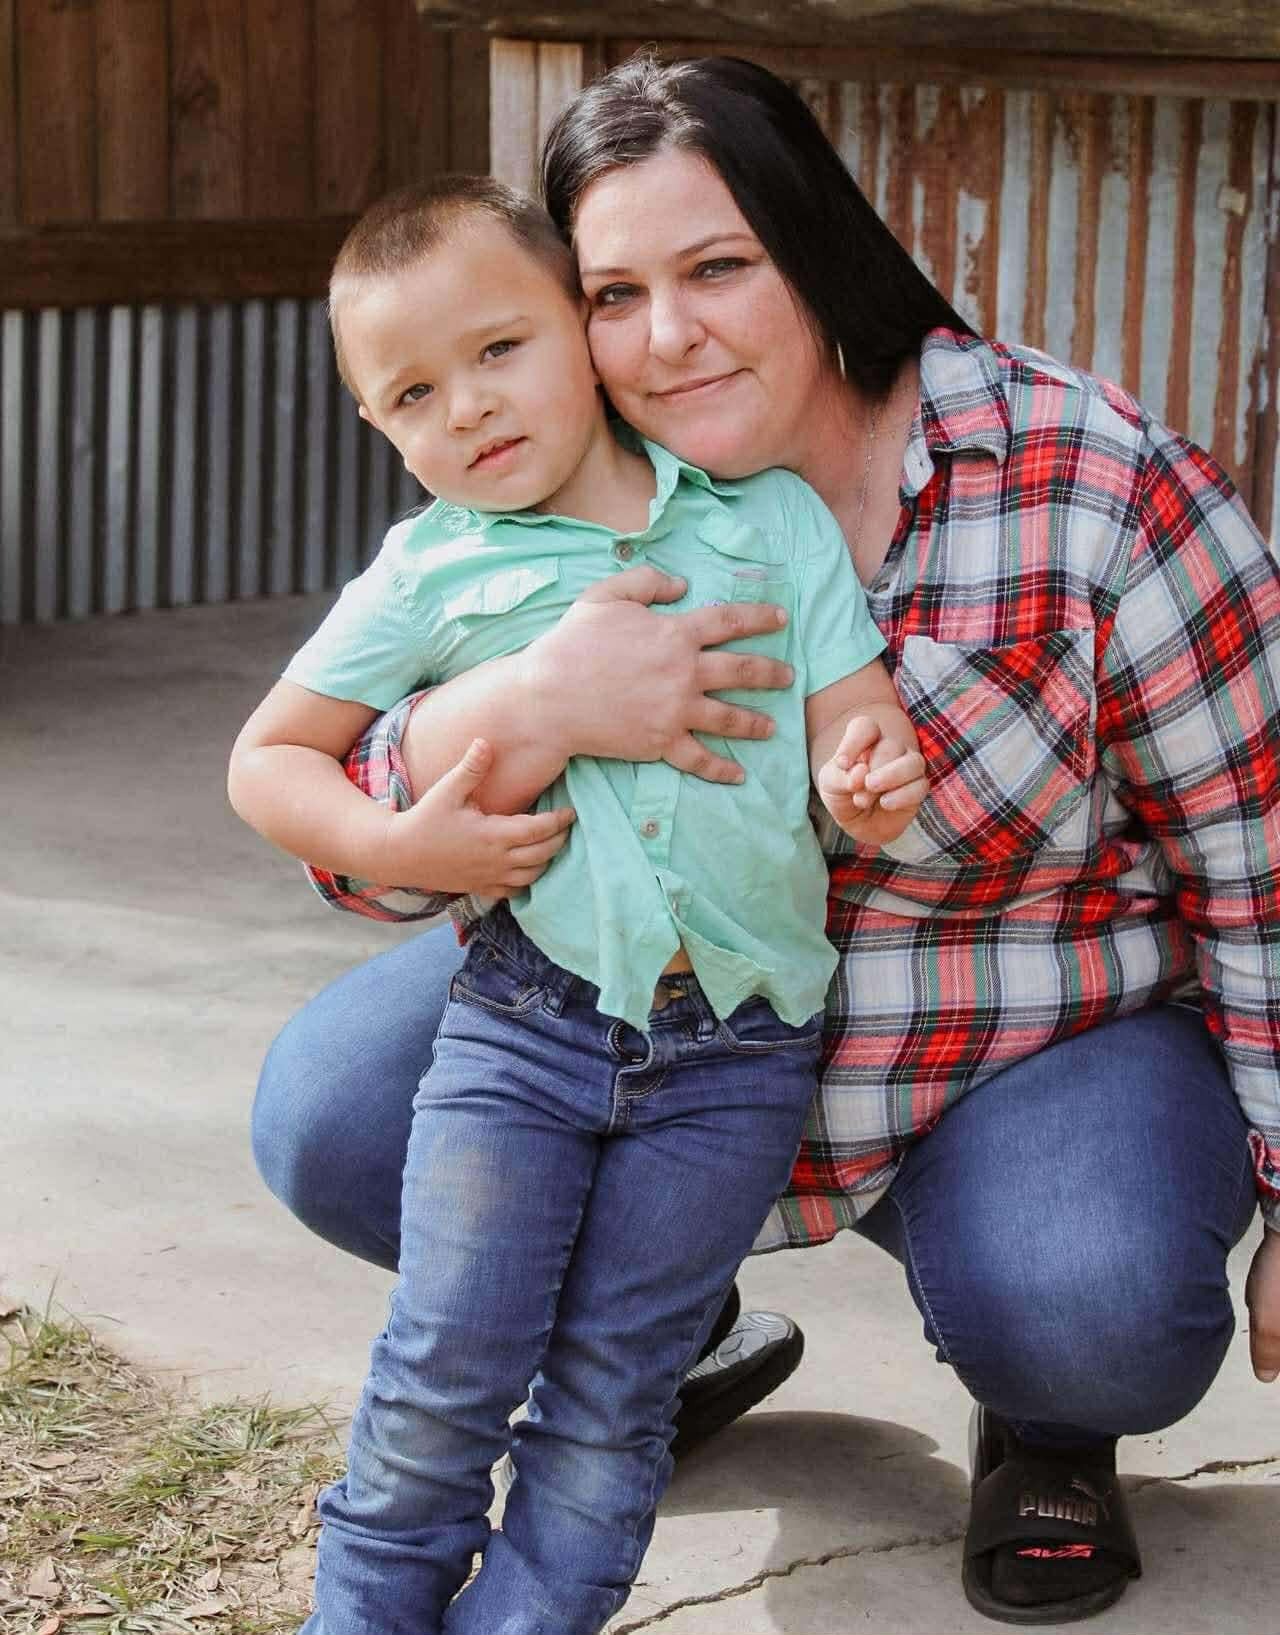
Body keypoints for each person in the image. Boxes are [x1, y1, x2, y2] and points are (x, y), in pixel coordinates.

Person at [248, 54, 1280, 1628]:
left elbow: (1259, 860)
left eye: (720, 266)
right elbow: (349, 833)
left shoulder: (1088, 486)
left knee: (1098, 1311)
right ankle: (671, 1324)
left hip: (1012, 1035)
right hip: (617, 1013)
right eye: (616, 294)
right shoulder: (529, 510)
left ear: (815, 243)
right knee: (332, 1117)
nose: (667, 337)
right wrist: (523, 710)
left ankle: (1043, 1417)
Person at [228, 175, 927, 1634]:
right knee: (446, 1366)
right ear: (376, 424)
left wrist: (863, 771)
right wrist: (397, 836)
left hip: (738, 1054)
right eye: (415, 393)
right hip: (520, 1031)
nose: (470, 407)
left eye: (500, 349)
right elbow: (269, 760)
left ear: (578, 328)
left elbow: (849, 707)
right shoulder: (429, 571)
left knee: (614, 1393)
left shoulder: (767, 523)